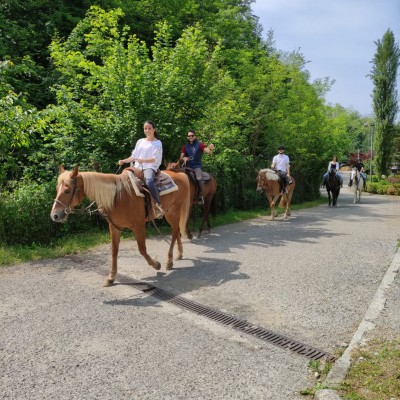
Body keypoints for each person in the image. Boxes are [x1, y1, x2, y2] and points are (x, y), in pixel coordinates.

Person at [118, 120, 164, 218]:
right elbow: (133, 156)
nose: (147, 130)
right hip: (137, 167)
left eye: (149, 128)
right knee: (122, 180)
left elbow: (154, 158)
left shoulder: (157, 143)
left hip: (150, 167)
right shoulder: (140, 141)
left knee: (149, 181)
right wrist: (124, 160)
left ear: (154, 130)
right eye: (145, 128)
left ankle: (157, 204)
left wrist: (143, 160)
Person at [180, 129, 215, 204]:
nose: (191, 137)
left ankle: (200, 196)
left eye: (192, 135)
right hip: (186, 167)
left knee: (199, 178)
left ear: (195, 136)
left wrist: (211, 149)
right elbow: (180, 158)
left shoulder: (200, 145)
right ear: (187, 137)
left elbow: (208, 152)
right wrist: (184, 158)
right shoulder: (185, 147)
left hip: (196, 167)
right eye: (189, 136)